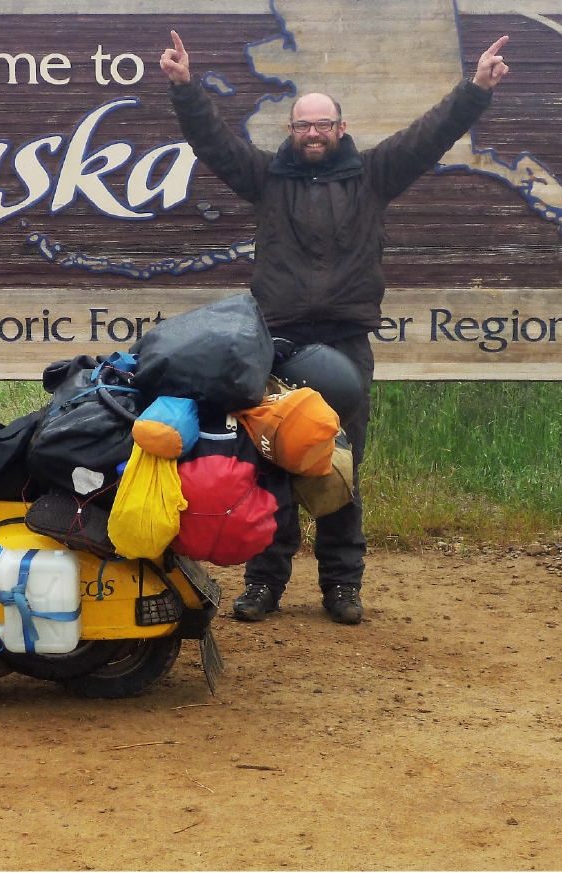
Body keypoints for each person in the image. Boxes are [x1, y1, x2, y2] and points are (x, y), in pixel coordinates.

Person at [160, 31, 510, 624]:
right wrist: (185, 87)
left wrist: (475, 88)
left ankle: (342, 586)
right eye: (303, 125)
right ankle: (265, 584)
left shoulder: (374, 175)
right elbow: (214, 143)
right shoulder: (266, 178)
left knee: (340, 463)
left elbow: (432, 135)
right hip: (276, 345)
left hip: (346, 343)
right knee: (271, 462)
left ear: (340, 128)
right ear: (291, 131)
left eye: (323, 124)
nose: (314, 133)